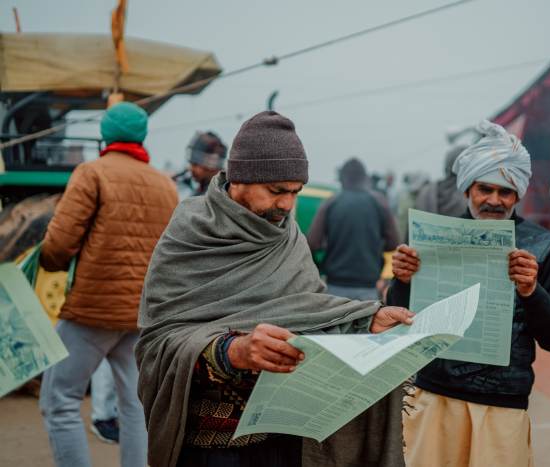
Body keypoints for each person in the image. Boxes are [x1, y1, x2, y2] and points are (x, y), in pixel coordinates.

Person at [136, 111, 414, 467]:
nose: (286, 204)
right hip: (212, 448)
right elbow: (158, 342)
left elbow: (311, 310)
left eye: (295, 192)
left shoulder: (288, 236)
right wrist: (231, 352)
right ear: (239, 178)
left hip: (288, 442)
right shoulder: (190, 232)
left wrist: (366, 320)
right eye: (277, 191)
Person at [387, 120, 550, 467]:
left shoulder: (542, 246)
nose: (494, 200)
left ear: (517, 195)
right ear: (467, 190)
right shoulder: (432, 240)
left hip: (502, 407)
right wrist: (402, 280)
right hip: (434, 397)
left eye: (505, 192)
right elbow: (399, 321)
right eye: (484, 189)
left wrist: (532, 291)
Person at [38, 101, 179, 467]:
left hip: (93, 311)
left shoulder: (92, 173)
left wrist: (50, 262)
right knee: (135, 405)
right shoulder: (165, 184)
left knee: (60, 399)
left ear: (105, 134)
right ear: (142, 136)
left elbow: (58, 245)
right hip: (143, 316)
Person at [307, 157, 399, 300]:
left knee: (336, 316)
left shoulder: (331, 202)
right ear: (365, 179)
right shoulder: (379, 202)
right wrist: (374, 247)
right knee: (369, 316)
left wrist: (323, 261)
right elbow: (393, 243)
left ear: (342, 179)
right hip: (368, 287)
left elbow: (312, 243)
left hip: (335, 287)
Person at [173, 131, 227, 198]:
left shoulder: (220, 194)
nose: (191, 168)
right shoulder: (204, 190)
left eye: (195, 164)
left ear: (211, 163)